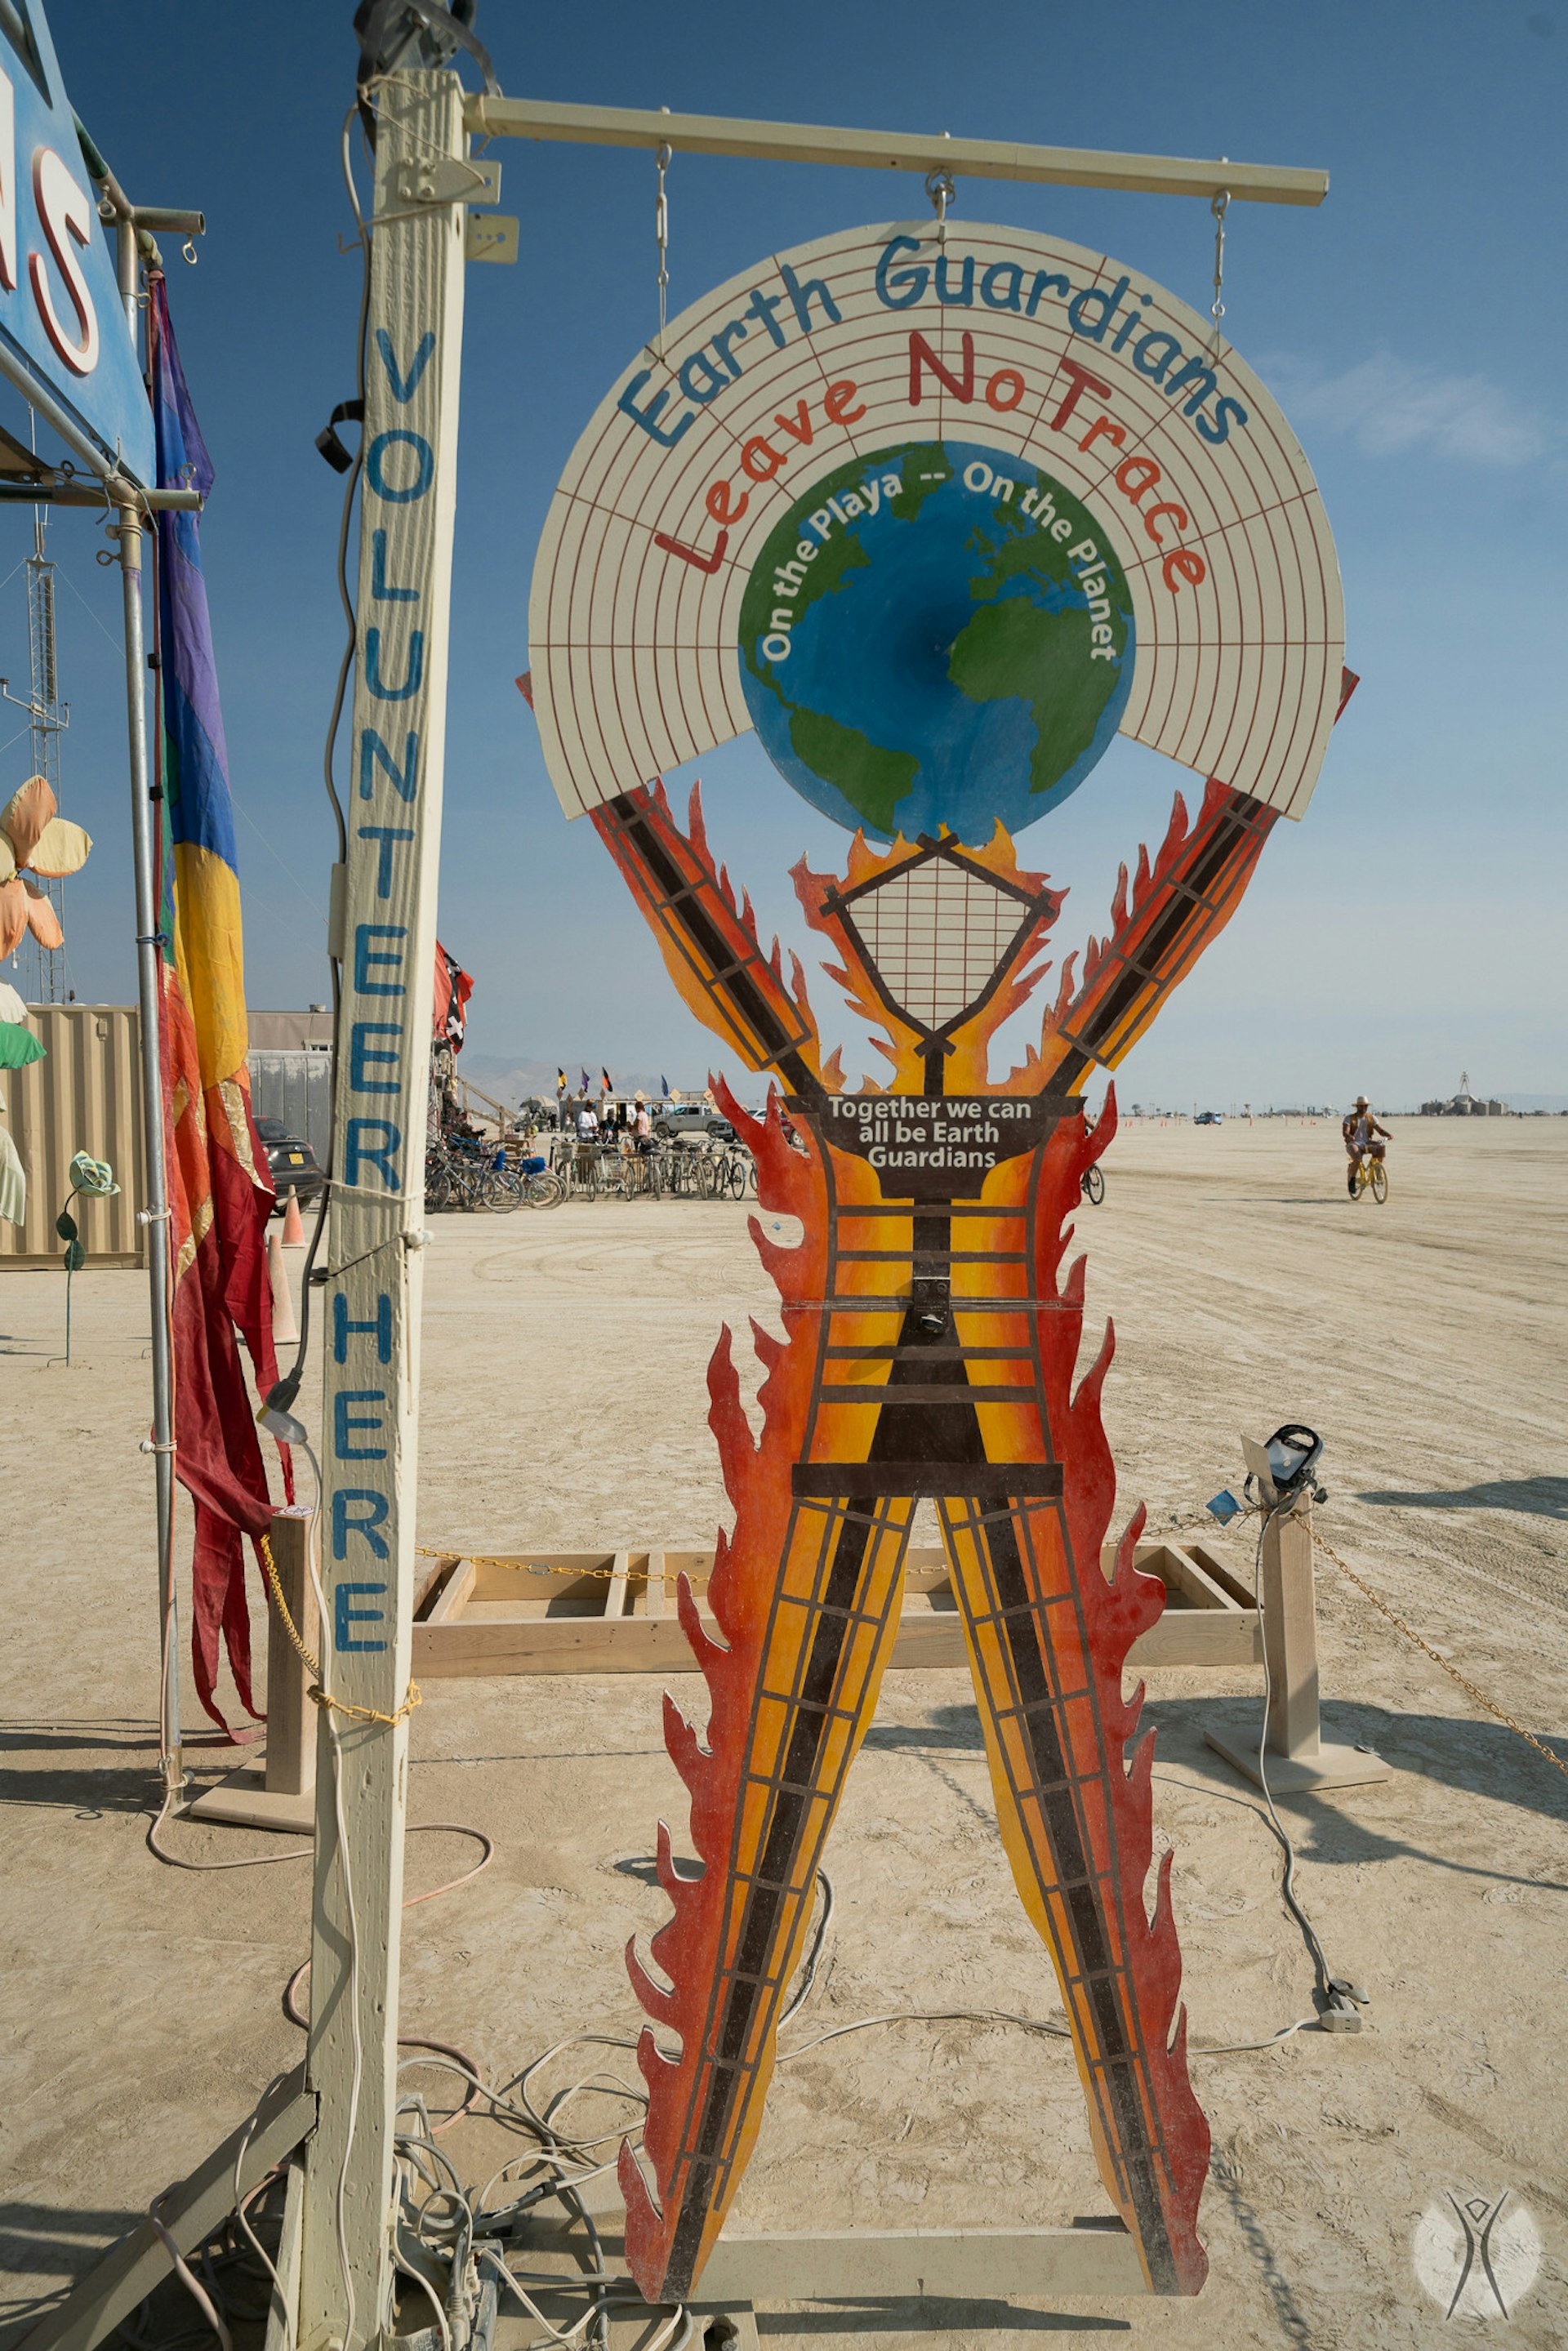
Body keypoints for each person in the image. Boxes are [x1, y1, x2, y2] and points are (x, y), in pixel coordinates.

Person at [1342, 1094, 1391, 1196]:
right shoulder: (1349, 1118)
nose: (1364, 1108)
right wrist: (1349, 1137)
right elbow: (1345, 1132)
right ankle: (1352, 1180)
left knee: (1380, 1148)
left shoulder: (1371, 1118)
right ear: (1357, 1106)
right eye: (1361, 1106)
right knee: (1358, 1158)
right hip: (1353, 1143)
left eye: (1365, 1106)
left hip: (1366, 1143)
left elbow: (1380, 1130)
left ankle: (1377, 1171)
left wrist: (1388, 1135)